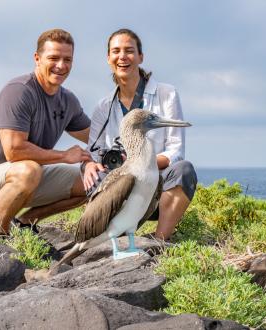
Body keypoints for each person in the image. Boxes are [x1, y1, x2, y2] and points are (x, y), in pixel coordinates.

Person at [0, 28, 103, 236]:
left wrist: (92, 161)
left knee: (95, 182)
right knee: (29, 170)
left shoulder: (68, 100)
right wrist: (64, 156)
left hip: (30, 178)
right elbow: (14, 151)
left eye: (67, 59)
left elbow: (98, 137)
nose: (61, 66)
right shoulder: (19, 90)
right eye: (53, 58)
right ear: (37, 58)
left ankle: (25, 222)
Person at [83, 28, 198, 241]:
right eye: (116, 51)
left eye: (129, 51)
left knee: (184, 170)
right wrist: (89, 164)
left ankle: (159, 241)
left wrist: (139, 165)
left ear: (140, 57)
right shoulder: (103, 107)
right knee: (95, 177)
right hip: (120, 191)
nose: (122, 57)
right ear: (108, 58)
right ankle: (110, 236)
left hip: (154, 187)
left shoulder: (166, 94)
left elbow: (176, 151)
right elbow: (93, 153)